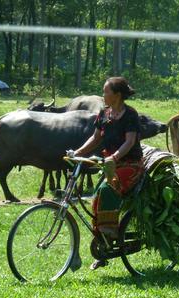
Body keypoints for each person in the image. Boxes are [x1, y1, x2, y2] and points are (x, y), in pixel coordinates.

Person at [71, 77, 144, 270]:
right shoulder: (104, 114)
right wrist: (77, 153)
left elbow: (129, 142)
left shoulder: (130, 114)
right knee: (96, 198)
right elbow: (95, 138)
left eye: (106, 92)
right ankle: (103, 247)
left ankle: (111, 235)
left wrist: (115, 157)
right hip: (111, 165)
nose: (103, 95)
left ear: (117, 95)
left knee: (106, 190)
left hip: (130, 164)